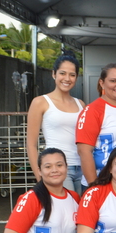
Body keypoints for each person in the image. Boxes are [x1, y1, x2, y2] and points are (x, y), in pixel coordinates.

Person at [26, 54, 85, 193]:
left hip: (83, 168)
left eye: (72, 75)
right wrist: (40, 176)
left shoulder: (81, 104)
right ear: (54, 74)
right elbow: (31, 144)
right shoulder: (40, 102)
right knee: (66, 212)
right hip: (57, 169)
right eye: (62, 73)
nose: (67, 79)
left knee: (83, 213)